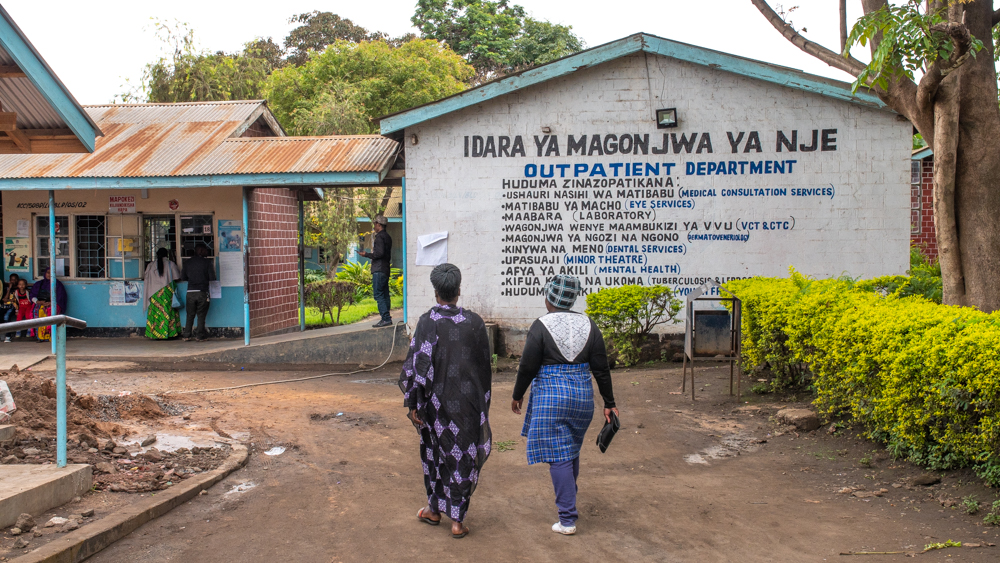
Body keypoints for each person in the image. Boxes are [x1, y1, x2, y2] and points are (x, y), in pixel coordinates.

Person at [511, 275, 618, 536]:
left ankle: (567, 519)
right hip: (582, 398)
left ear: (549, 299)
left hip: (551, 398)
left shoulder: (540, 326)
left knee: (558, 456)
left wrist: (517, 394)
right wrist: (609, 403)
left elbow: (527, 366)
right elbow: (601, 369)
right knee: (570, 449)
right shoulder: (589, 325)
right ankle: (569, 499)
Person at [398, 263, 492, 539]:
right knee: (462, 455)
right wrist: (481, 403)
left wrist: (414, 402)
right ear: (458, 291)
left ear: (436, 293)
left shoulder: (428, 321)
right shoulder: (475, 323)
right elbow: (484, 366)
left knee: (435, 453)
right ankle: (457, 522)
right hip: (467, 403)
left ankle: (434, 509)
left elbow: (419, 365)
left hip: (435, 404)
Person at [359, 215, 393, 327]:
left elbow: (379, 253)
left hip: (379, 269)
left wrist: (366, 254)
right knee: (385, 294)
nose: (374, 226)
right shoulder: (388, 237)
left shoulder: (379, 237)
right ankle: (387, 316)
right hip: (386, 268)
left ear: (379, 224)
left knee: (378, 294)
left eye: (375, 224)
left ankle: (385, 318)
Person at [143, 248, 182, 339]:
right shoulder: (170, 264)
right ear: (167, 255)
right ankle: (168, 334)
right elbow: (177, 277)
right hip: (167, 292)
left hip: (153, 293)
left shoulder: (150, 265)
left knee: (155, 313)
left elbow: (145, 278)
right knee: (168, 312)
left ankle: (154, 334)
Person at [181, 244, 215, 342]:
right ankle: (200, 336)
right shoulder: (207, 263)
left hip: (190, 292)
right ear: (201, 251)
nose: (207, 252)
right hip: (202, 292)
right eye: (205, 250)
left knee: (190, 315)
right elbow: (212, 278)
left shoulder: (187, 263)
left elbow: (183, 278)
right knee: (201, 315)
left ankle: (186, 335)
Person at [30, 268, 66, 342]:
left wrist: (51, 303)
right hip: (40, 302)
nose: (49, 274)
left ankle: (50, 336)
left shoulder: (58, 284)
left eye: (51, 273)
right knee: (36, 311)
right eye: (48, 272)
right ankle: (39, 336)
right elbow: (32, 296)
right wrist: (38, 302)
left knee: (50, 311)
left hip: (53, 303)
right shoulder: (39, 284)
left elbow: (61, 297)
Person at [1, 273, 18, 342]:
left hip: (13, 306)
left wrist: (10, 300)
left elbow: (16, 300)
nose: (12, 281)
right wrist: (9, 289)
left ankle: (8, 336)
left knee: (6, 317)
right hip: (4, 306)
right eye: (11, 280)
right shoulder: (6, 289)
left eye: (14, 280)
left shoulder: (18, 288)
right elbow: (4, 299)